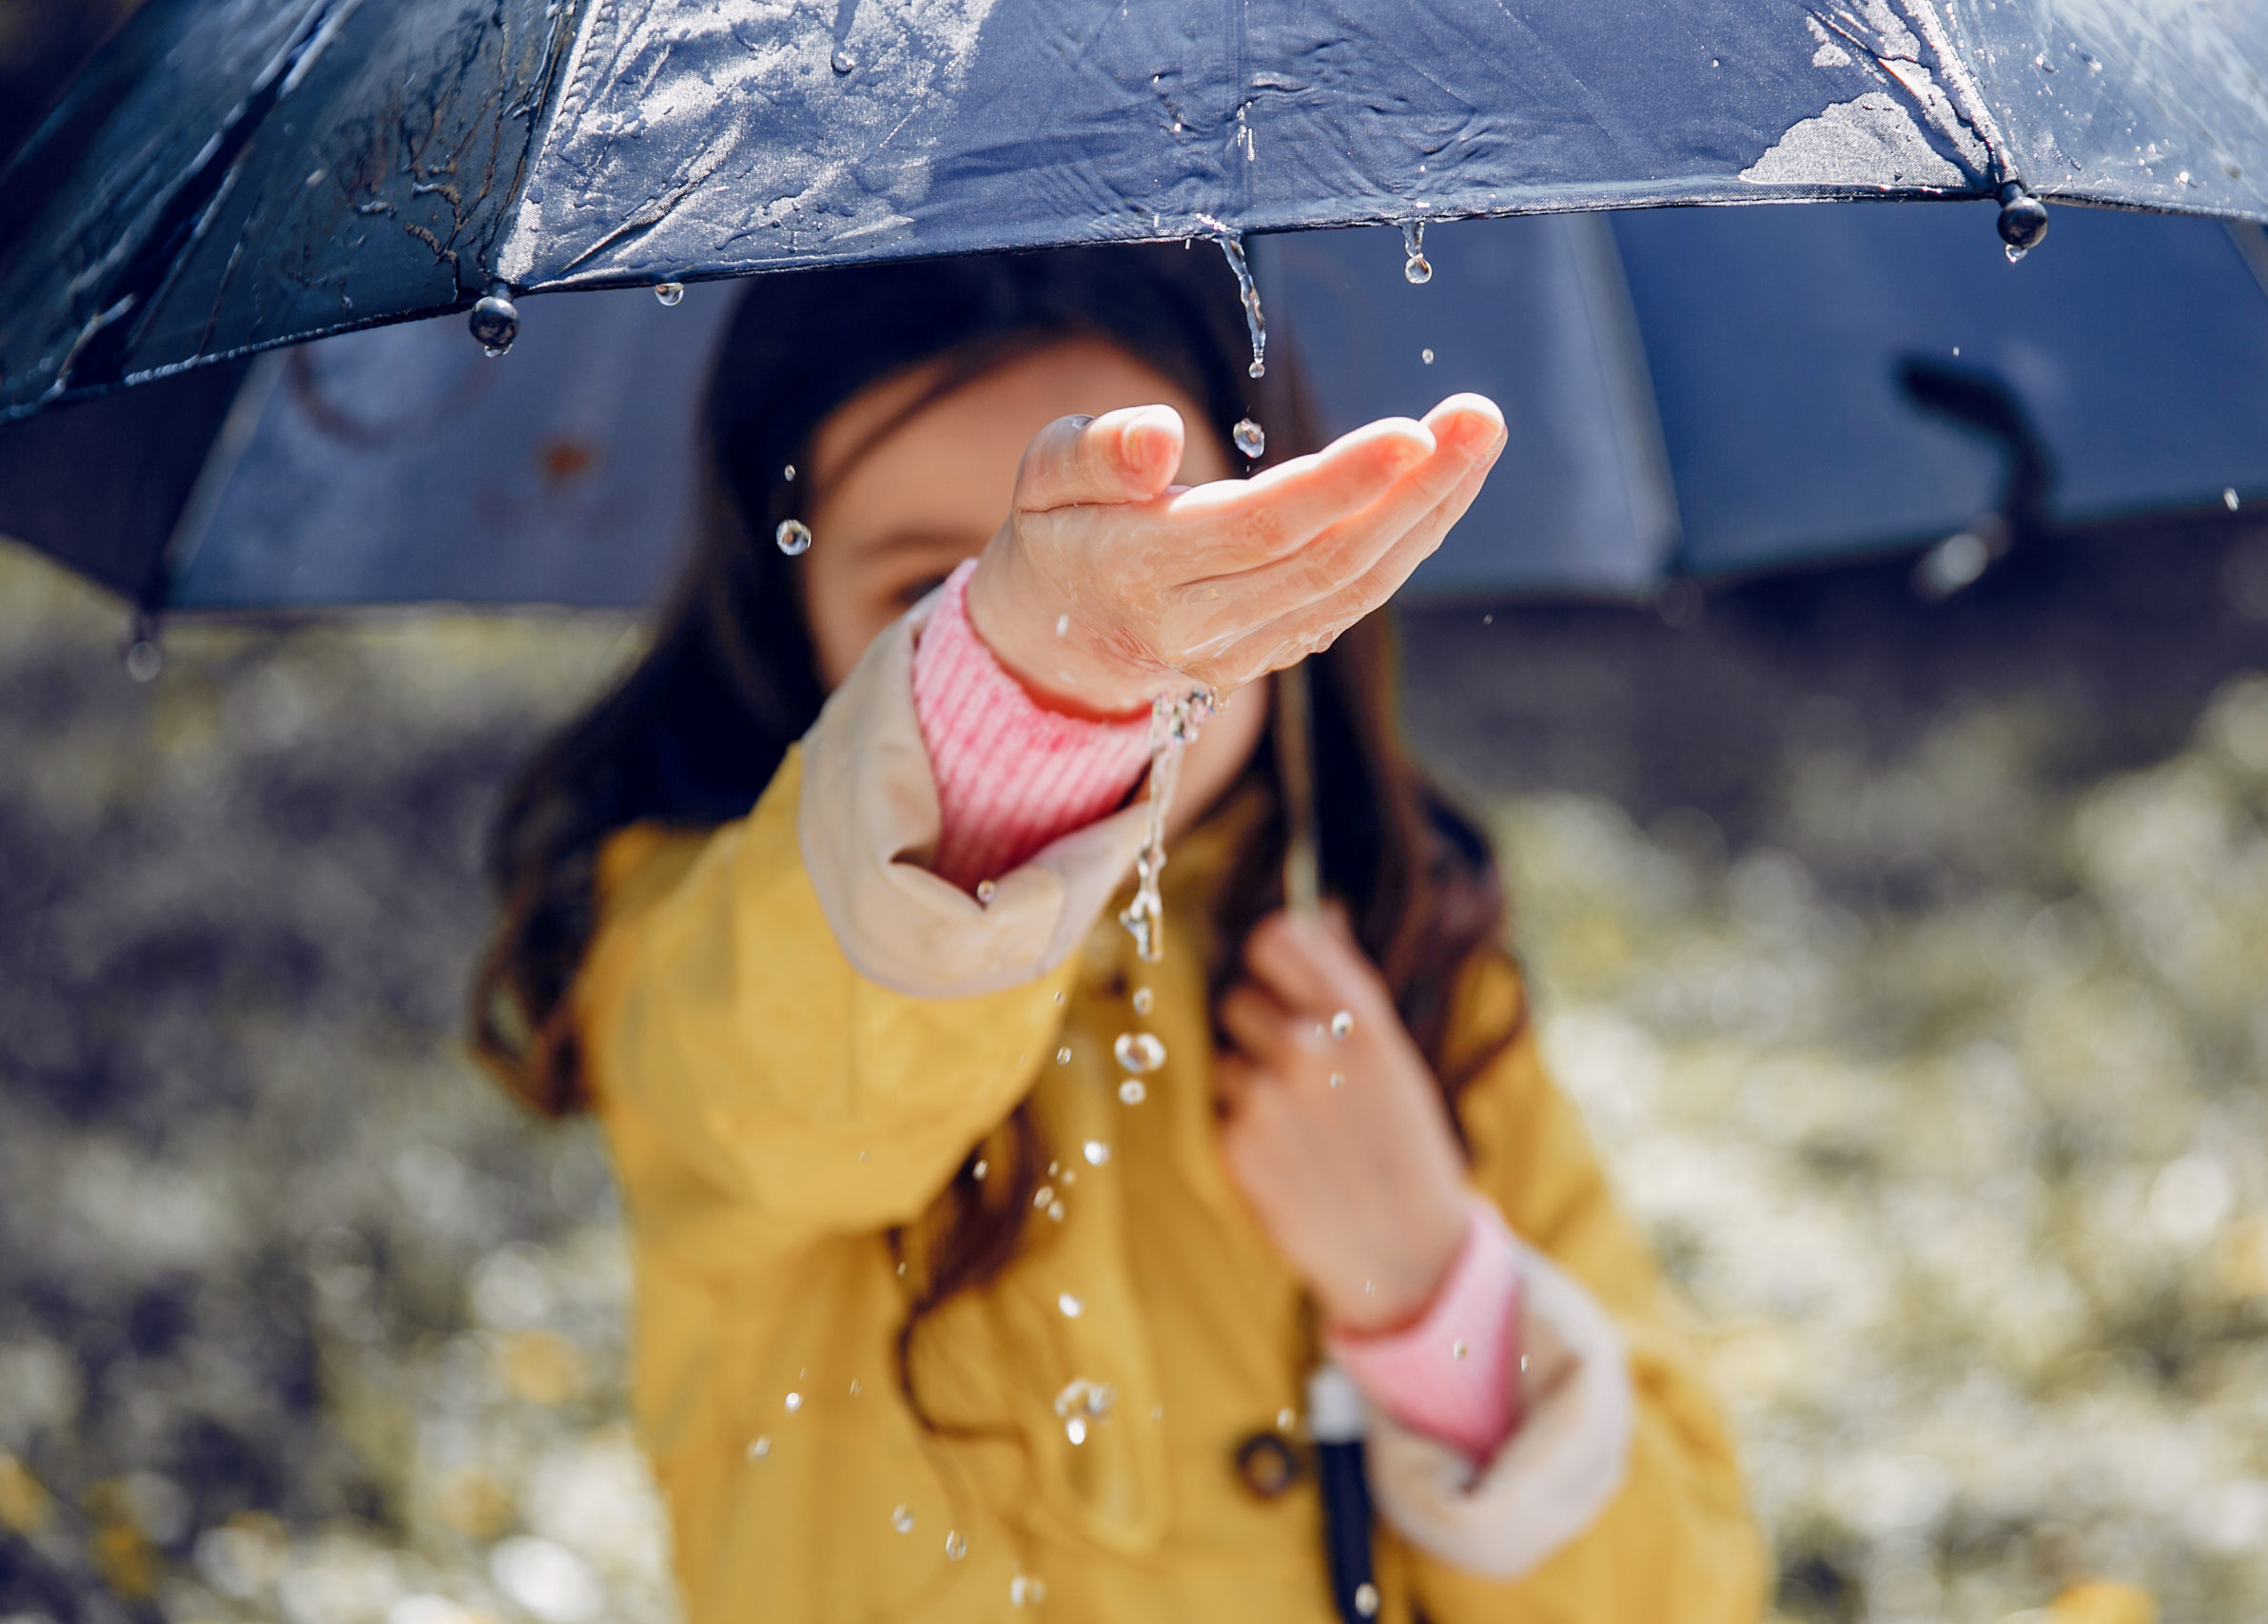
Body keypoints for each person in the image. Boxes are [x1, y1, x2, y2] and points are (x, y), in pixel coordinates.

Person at [472, 243, 1763, 1622]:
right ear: (787, 617)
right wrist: (1012, 706)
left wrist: (1427, 1290)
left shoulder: (1406, 962)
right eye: (934, 598)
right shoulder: (697, 942)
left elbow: (1679, 1594)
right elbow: (781, 1081)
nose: (1096, 638)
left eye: (1164, 560)